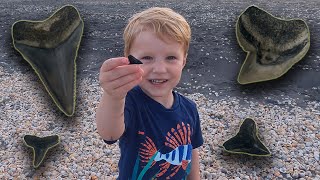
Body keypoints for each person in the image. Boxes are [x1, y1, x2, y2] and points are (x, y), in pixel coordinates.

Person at [96, 7, 203, 179]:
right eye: (147, 58)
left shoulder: (190, 108)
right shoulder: (129, 100)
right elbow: (109, 133)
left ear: (184, 61)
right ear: (129, 59)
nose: (159, 69)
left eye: (171, 58)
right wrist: (113, 96)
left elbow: (191, 152)